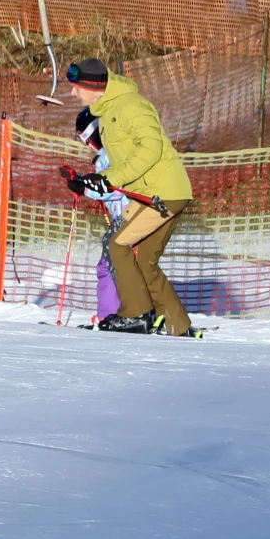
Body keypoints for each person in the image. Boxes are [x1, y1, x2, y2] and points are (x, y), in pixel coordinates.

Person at [63, 58, 196, 336]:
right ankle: (177, 326)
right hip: (150, 192)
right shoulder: (110, 109)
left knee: (117, 244)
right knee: (143, 260)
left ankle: (135, 314)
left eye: (76, 87)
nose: (73, 93)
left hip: (162, 192)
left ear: (93, 87)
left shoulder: (131, 106)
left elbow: (149, 148)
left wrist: (109, 179)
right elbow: (121, 163)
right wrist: (90, 184)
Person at [70, 107, 129, 326]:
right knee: (130, 266)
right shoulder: (124, 149)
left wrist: (84, 189)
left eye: (88, 140)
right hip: (134, 217)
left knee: (110, 267)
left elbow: (113, 187)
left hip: (128, 219)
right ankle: (136, 313)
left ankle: (111, 316)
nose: (89, 146)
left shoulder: (106, 156)